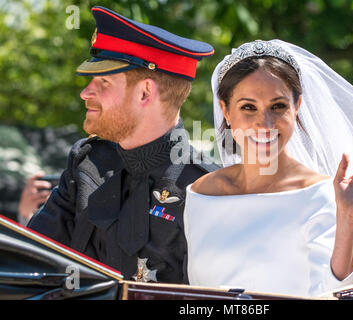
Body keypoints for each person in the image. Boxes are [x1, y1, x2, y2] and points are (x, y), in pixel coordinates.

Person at [183, 40, 353, 297]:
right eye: (248, 107)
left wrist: (350, 219)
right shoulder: (201, 194)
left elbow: (333, 295)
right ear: (225, 110)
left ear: (297, 107)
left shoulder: (324, 194)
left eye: (278, 106)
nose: (264, 123)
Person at [27, 6, 218, 283]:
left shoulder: (205, 188)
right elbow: (33, 264)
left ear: (145, 92)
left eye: (103, 82)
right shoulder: (87, 163)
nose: (85, 93)